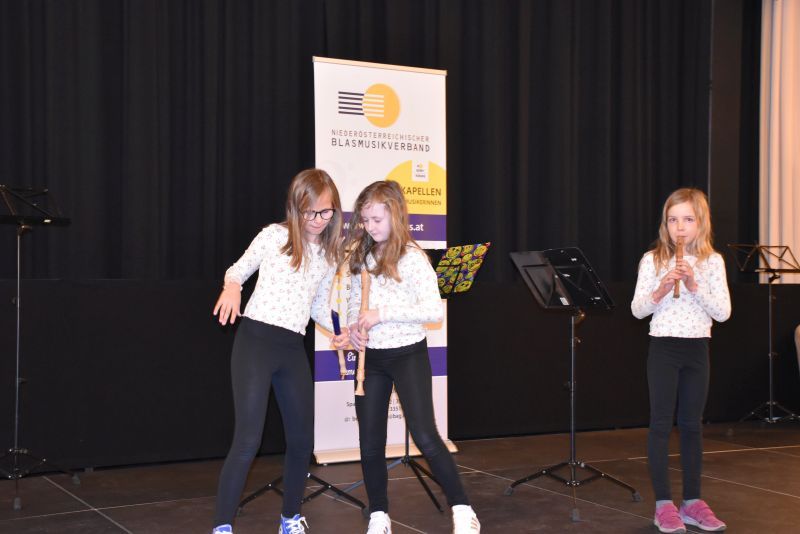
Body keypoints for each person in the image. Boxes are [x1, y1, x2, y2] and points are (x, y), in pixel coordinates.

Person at [211, 169, 347, 534]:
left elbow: (318, 306)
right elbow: (237, 271)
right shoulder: (274, 236)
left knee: (301, 440)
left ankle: (290, 518)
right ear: (295, 207)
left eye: (325, 212)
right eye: (309, 212)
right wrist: (232, 288)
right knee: (248, 440)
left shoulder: (329, 256)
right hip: (255, 342)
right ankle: (222, 526)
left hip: (291, 348)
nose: (317, 220)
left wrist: (339, 331)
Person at [345, 180, 480, 534]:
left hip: (408, 355)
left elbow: (433, 311)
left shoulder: (414, 258)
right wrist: (353, 328)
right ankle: (379, 514)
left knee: (425, 435)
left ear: (395, 214)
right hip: (372, 361)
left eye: (376, 219)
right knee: (370, 443)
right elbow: (353, 303)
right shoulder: (360, 256)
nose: (369, 227)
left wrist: (382, 314)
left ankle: (463, 509)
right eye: (365, 221)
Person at [631, 187, 731, 533]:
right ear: (666, 224)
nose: (680, 227)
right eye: (673, 220)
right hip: (663, 347)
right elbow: (637, 309)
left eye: (688, 219)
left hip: (697, 348)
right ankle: (663, 504)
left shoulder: (712, 262)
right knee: (661, 424)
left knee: (691, 425)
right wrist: (661, 288)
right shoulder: (652, 259)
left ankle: (692, 501)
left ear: (701, 223)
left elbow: (723, 312)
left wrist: (692, 284)